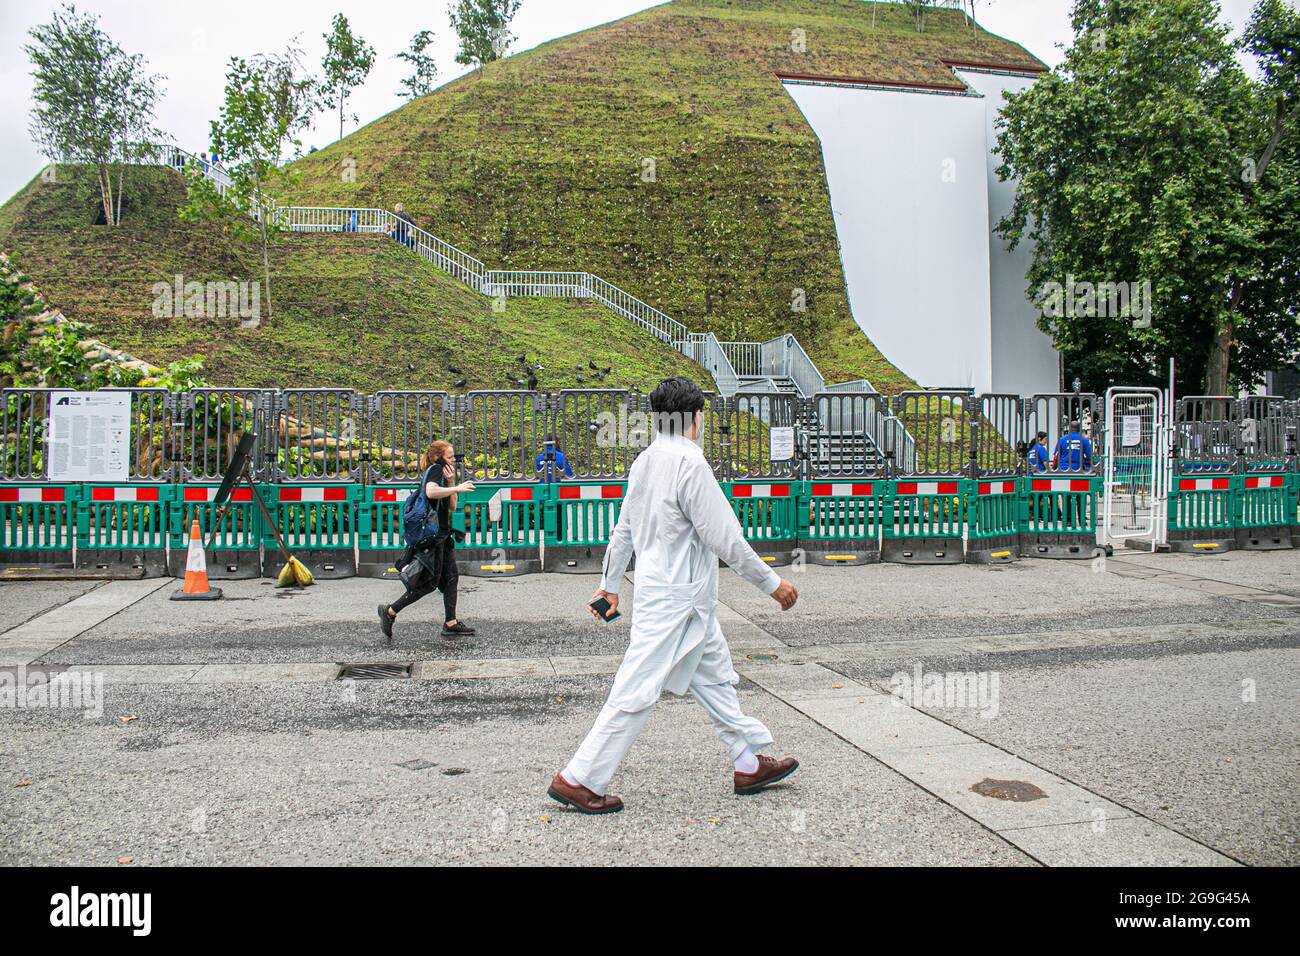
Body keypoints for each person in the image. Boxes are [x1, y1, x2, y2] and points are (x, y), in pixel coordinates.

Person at [548, 376, 801, 815]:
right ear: (696, 418)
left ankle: (746, 763)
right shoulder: (691, 465)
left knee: (717, 676)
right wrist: (772, 584)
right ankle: (579, 777)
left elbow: (623, 529)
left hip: (671, 595)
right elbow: (727, 539)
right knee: (637, 688)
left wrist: (610, 585)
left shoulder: (645, 460)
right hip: (678, 600)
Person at [379, 441, 476, 639]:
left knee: (451, 578)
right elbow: (430, 491)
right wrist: (457, 486)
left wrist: (451, 485)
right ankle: (390, 611)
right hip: (434, 537)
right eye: (449, 457)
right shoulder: (435, 470)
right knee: (430, 583)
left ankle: (450, 623)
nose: (452, 460)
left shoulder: (442, 474)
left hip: (442, 533)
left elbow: (452, 507)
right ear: (438, 457)